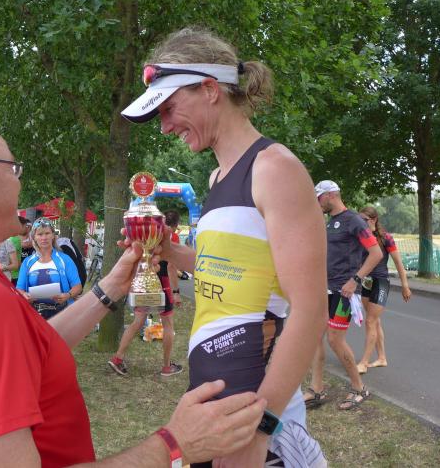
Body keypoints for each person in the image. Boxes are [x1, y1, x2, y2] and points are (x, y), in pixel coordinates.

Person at [0, 119, 266, 468]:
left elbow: (30, 351)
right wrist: (174, 443)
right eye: (13, 170)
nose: (19, 184)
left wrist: (110, 288)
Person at [120, 28, 328, 467]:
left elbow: (311, 310)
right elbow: (228, 269)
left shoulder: (275, 169)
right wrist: (168, 251)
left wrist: (260, 429)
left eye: (169, 108)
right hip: (212, 410)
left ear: (210, 90)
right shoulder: (217, 177)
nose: (165, 126)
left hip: (258, 421)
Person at [307, 181, 383, 411]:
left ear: (331, 195)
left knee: (334, 339)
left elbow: (376, 253)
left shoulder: (354, 221)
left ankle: (359, 388)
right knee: (314, 337)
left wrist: (355, 280)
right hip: (326, 289)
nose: (317, 203)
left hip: (345, 292)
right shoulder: (330, 222)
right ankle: (316, 389)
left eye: (319, 198)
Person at [108, 209, 184, 377]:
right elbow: (171, 267)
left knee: (137, 322)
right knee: (168, 324)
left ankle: (118, 358)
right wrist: (176, 292)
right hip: (162, 283)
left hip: (143, 281)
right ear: (175, 225)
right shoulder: (172, 237)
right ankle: (167, 367)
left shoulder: (147, 232)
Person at [355, 206, 412, 374]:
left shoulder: (386, 238)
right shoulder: (360, 236)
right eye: (359, 220)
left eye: (364, 220)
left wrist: (405, 286)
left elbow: (398, 263)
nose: (360, 223)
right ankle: (381, 358)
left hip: (381, 282)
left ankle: (364, 362)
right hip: (366, 282)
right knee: (375, 321)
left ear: (373, 220)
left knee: (370, 321)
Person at [16, 217, 82, 319]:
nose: (44, 238)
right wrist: (24, 295)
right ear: (34, 237)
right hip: (35, 314)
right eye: (40, 234)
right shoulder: (27, 262)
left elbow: (78, 286)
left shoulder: (65, 259)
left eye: (47, 233)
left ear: (53, 235)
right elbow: (19, 289)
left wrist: (68, 295)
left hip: (62, 313)